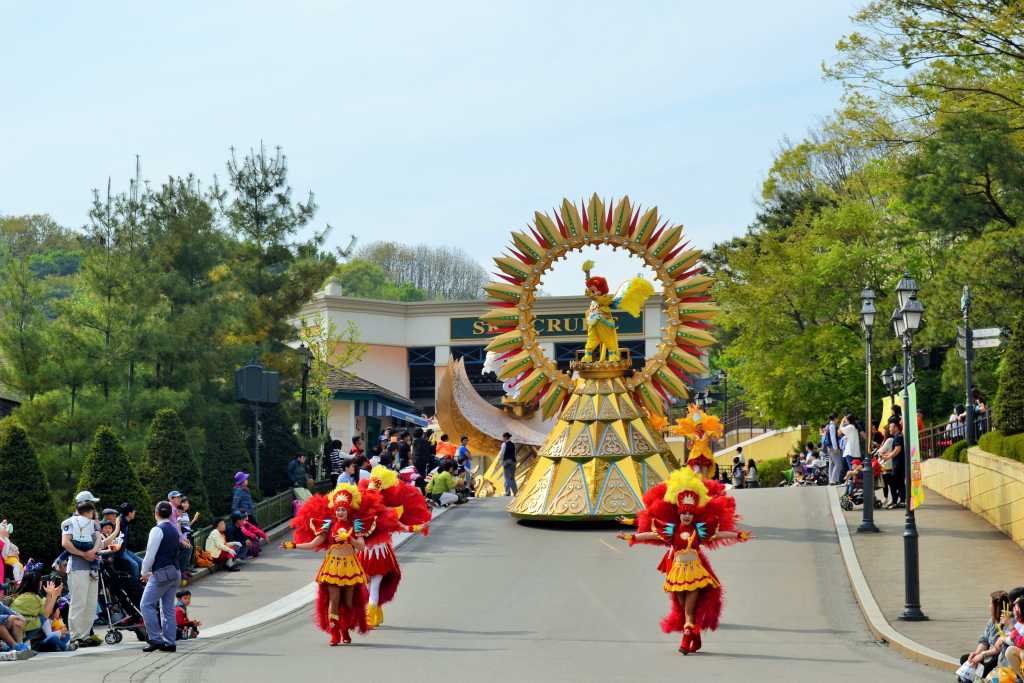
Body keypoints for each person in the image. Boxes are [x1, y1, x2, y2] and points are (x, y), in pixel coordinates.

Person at [617, 468, 751, 654]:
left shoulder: (699, 530)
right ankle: (694, 636)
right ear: (679, 514)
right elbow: (653, 534)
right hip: (677, 573)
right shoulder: (671, 531)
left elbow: (718, 534)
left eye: (690, 513)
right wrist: (633, 538)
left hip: (695, 572)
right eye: (684, 513)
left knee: (689, 610)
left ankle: (685, 640)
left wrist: (738, 535)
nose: (687, 516)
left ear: (693, 515)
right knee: (682, 609)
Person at [283, 483, 401, 645]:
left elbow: (361, 545)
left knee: (348, 602)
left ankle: (344, 630)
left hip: (350, 567)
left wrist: (349, 538)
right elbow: (314, 543)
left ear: (348, 510)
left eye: (343, 509)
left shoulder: (356, 525)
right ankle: (334, 634)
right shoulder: (328, 525)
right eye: (338, 509)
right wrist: (294, 545)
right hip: (332, 567)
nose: (340, 512)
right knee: (334, 599)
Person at [357, 465, 431, 627]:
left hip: (364, 554)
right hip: (381, 553)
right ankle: (372, 615)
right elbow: (403, 527)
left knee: (371, 585)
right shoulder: (386, 513)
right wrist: (419, 527)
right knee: (375, 585)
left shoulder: (360, 514)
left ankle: (375, 614)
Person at [61, 491, 105, 647]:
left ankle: (85, 635)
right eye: (92, 504)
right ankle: (75, 636)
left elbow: (99, 541)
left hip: (92, 566)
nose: (94, 508)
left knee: (91, 603)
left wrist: (92, 552)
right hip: (77, 567)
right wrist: (84, 554)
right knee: (79, 602)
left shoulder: (93, 523)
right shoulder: (70, 522)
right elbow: (66, 543)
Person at [140, 501, 182, 653]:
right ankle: (170, 642)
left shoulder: (157, 530)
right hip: (175, 571)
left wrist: (144, 572)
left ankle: (155, 639)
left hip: (162, 573)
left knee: (146, 605)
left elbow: (150, 555)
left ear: (156, 513)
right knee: (168, 608)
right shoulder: (174, 528)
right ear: (171, 514)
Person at [11, 572, 68, 652]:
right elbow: (45, 615)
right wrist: (54, 595)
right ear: (37, 584)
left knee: (64, 636)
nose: (41, 583)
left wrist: (50, 594)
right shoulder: (35, 599)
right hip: (25, 633)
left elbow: (45, 610)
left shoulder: (18, 597)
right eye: (40, 581)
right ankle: (66, 648)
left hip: (15, 631)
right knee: (51, 633)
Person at [959, 590, 1008, 680]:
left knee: (987, 666)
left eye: (990, 604)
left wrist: (982, 655)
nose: (989, 606)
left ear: (996, 607)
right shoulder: (991, 622)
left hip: (999, 657)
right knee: (965, 659)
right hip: (988, 655)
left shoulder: (1008, 623)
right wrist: (976, 653)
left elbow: (999, 648)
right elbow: (984, 640)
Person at [879, 423, 905, 508]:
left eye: (890, 427)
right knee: (898, 483)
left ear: (896, 427)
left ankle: (901, 501)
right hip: (897, 463)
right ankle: (900, 500)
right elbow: (895, 451)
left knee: (898, 483)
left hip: (898, 464)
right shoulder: (897, 437)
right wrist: (887, 456)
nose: (889, 429)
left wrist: (887, 457)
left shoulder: (898, 437)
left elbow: (897, 450)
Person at [825, 414, 843, 485]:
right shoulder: (832, 426)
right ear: (835, 418)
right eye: (837, 418)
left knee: (832, 464)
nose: (838, 420)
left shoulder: (828, 426)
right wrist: (835, 448)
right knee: (838, 463)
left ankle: (831, 479)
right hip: (833, 447)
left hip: (829, 447)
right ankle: (834, 480)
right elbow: (833, 438)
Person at [500, 432, 517, 496]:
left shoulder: (504, 444)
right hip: (513, 462)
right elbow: (513, 454)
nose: (502, 439)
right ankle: (515, 492)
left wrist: (501, 461)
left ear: (505, 437)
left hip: (507, 461)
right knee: (512, 478)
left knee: (507, 477)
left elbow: (502, 453)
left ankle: (507, 492)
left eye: (503, 437)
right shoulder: (513, 444)